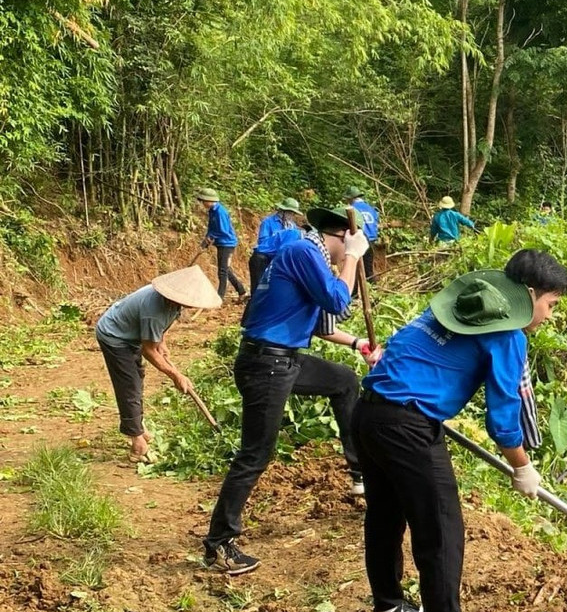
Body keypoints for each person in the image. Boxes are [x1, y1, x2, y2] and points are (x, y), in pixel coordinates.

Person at [353, 250, 567, 612]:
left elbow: (403, 348)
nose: (548, 315)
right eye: (551, 305)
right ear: (529, 296)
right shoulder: (508, 333)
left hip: (369, 414)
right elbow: (503, 416)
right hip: (407, 426)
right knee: (441, 530)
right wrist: (522, 466)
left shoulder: (459, 304)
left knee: (384, 517)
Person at [202, 206, 373, 575]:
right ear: (341, 237)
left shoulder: (306, 257)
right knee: (256, 454)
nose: (354, 253)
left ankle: (360, 474)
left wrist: (358, 343)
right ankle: (219, 543)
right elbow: (338, 300)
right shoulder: (303, 251)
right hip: (267, 364)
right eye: (353, 244)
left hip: (284, 360)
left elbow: (323, 326)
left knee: (344, 380)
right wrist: (354, 258)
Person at [95, 266, 222, 462]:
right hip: (114, 336)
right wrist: (176, 376)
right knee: (129, 385)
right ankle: (137, 443)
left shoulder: (172, 303)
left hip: (131, 334)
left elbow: (161, 329)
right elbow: (148, 350)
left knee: (137, 378)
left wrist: (161, 342)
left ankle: (138, 425)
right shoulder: (154, 309)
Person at [196, 188, 247, 299]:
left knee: (222, 271)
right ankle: (241, 291)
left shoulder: (220, 212)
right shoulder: (212, 211)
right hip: (221, 243)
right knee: (226, 269)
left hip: (227, 243)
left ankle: (220, 297)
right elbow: (211, 227)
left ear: (209, 200)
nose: (203, 204)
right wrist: (205, 241)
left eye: (204, 201)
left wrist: (212, 237)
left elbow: (223, 230)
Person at [250, 199, 304, 289]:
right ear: (282, 211)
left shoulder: (292, 226)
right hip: (263, 259)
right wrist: (280, 237)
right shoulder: (268, 222)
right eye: (289, 212)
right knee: (260, 288)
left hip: (277, 261)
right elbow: (263, 243)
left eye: (293, 213)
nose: (291, 215)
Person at [344, 190, 381, 281]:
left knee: (355, 267)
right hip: (372, 239)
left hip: (359, 239)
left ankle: (355, 291)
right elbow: (376, 221)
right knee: (368, 266)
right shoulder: (371, 208)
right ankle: (372, 287)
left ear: (351, 198)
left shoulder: (352, 208)